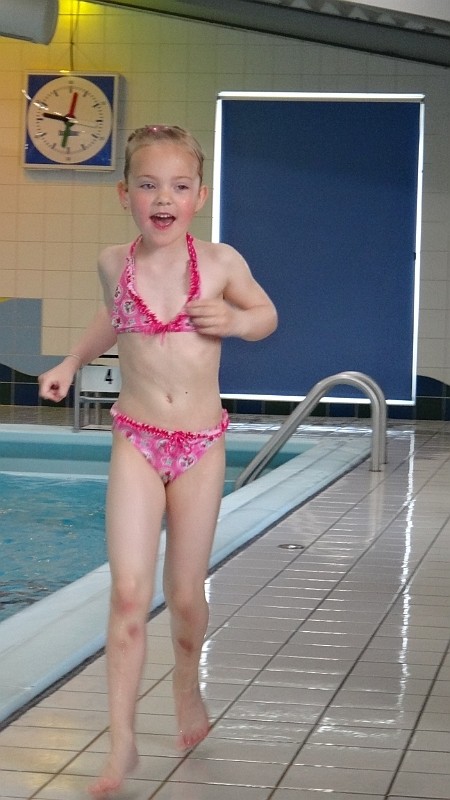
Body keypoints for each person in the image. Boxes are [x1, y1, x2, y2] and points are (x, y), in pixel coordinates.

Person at [38, 124, 278, 796]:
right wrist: (71, 361)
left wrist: (237, 322)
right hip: (136, 439)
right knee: (128, 594)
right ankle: (121, 743)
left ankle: (186, 682)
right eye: (148, 185)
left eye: (178, 186)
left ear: (199, 196)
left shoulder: (221, 263)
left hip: (200, 446)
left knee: (185, 598)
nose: (163, 198)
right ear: (125, 195)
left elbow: (266, 313)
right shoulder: (113, 262)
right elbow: (112, 318)